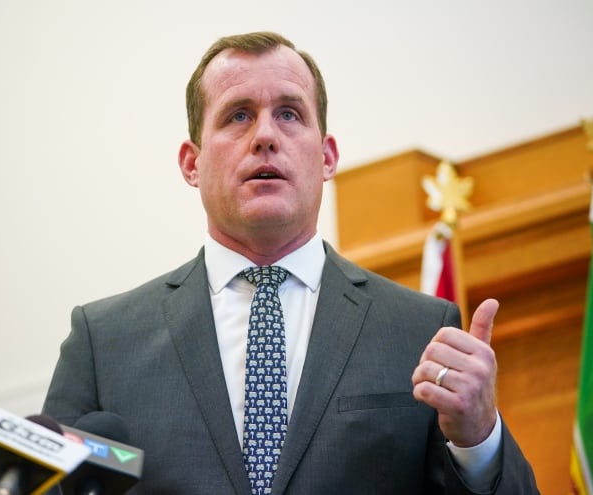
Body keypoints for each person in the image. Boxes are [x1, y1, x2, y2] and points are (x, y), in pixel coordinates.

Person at [43, 31, 539, 494]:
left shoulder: (418, 330)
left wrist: (478, 439)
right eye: (237, 115)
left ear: (326, 158)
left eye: (289, 114)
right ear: (192, 163)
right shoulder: (104, 344)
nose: (264, 136)